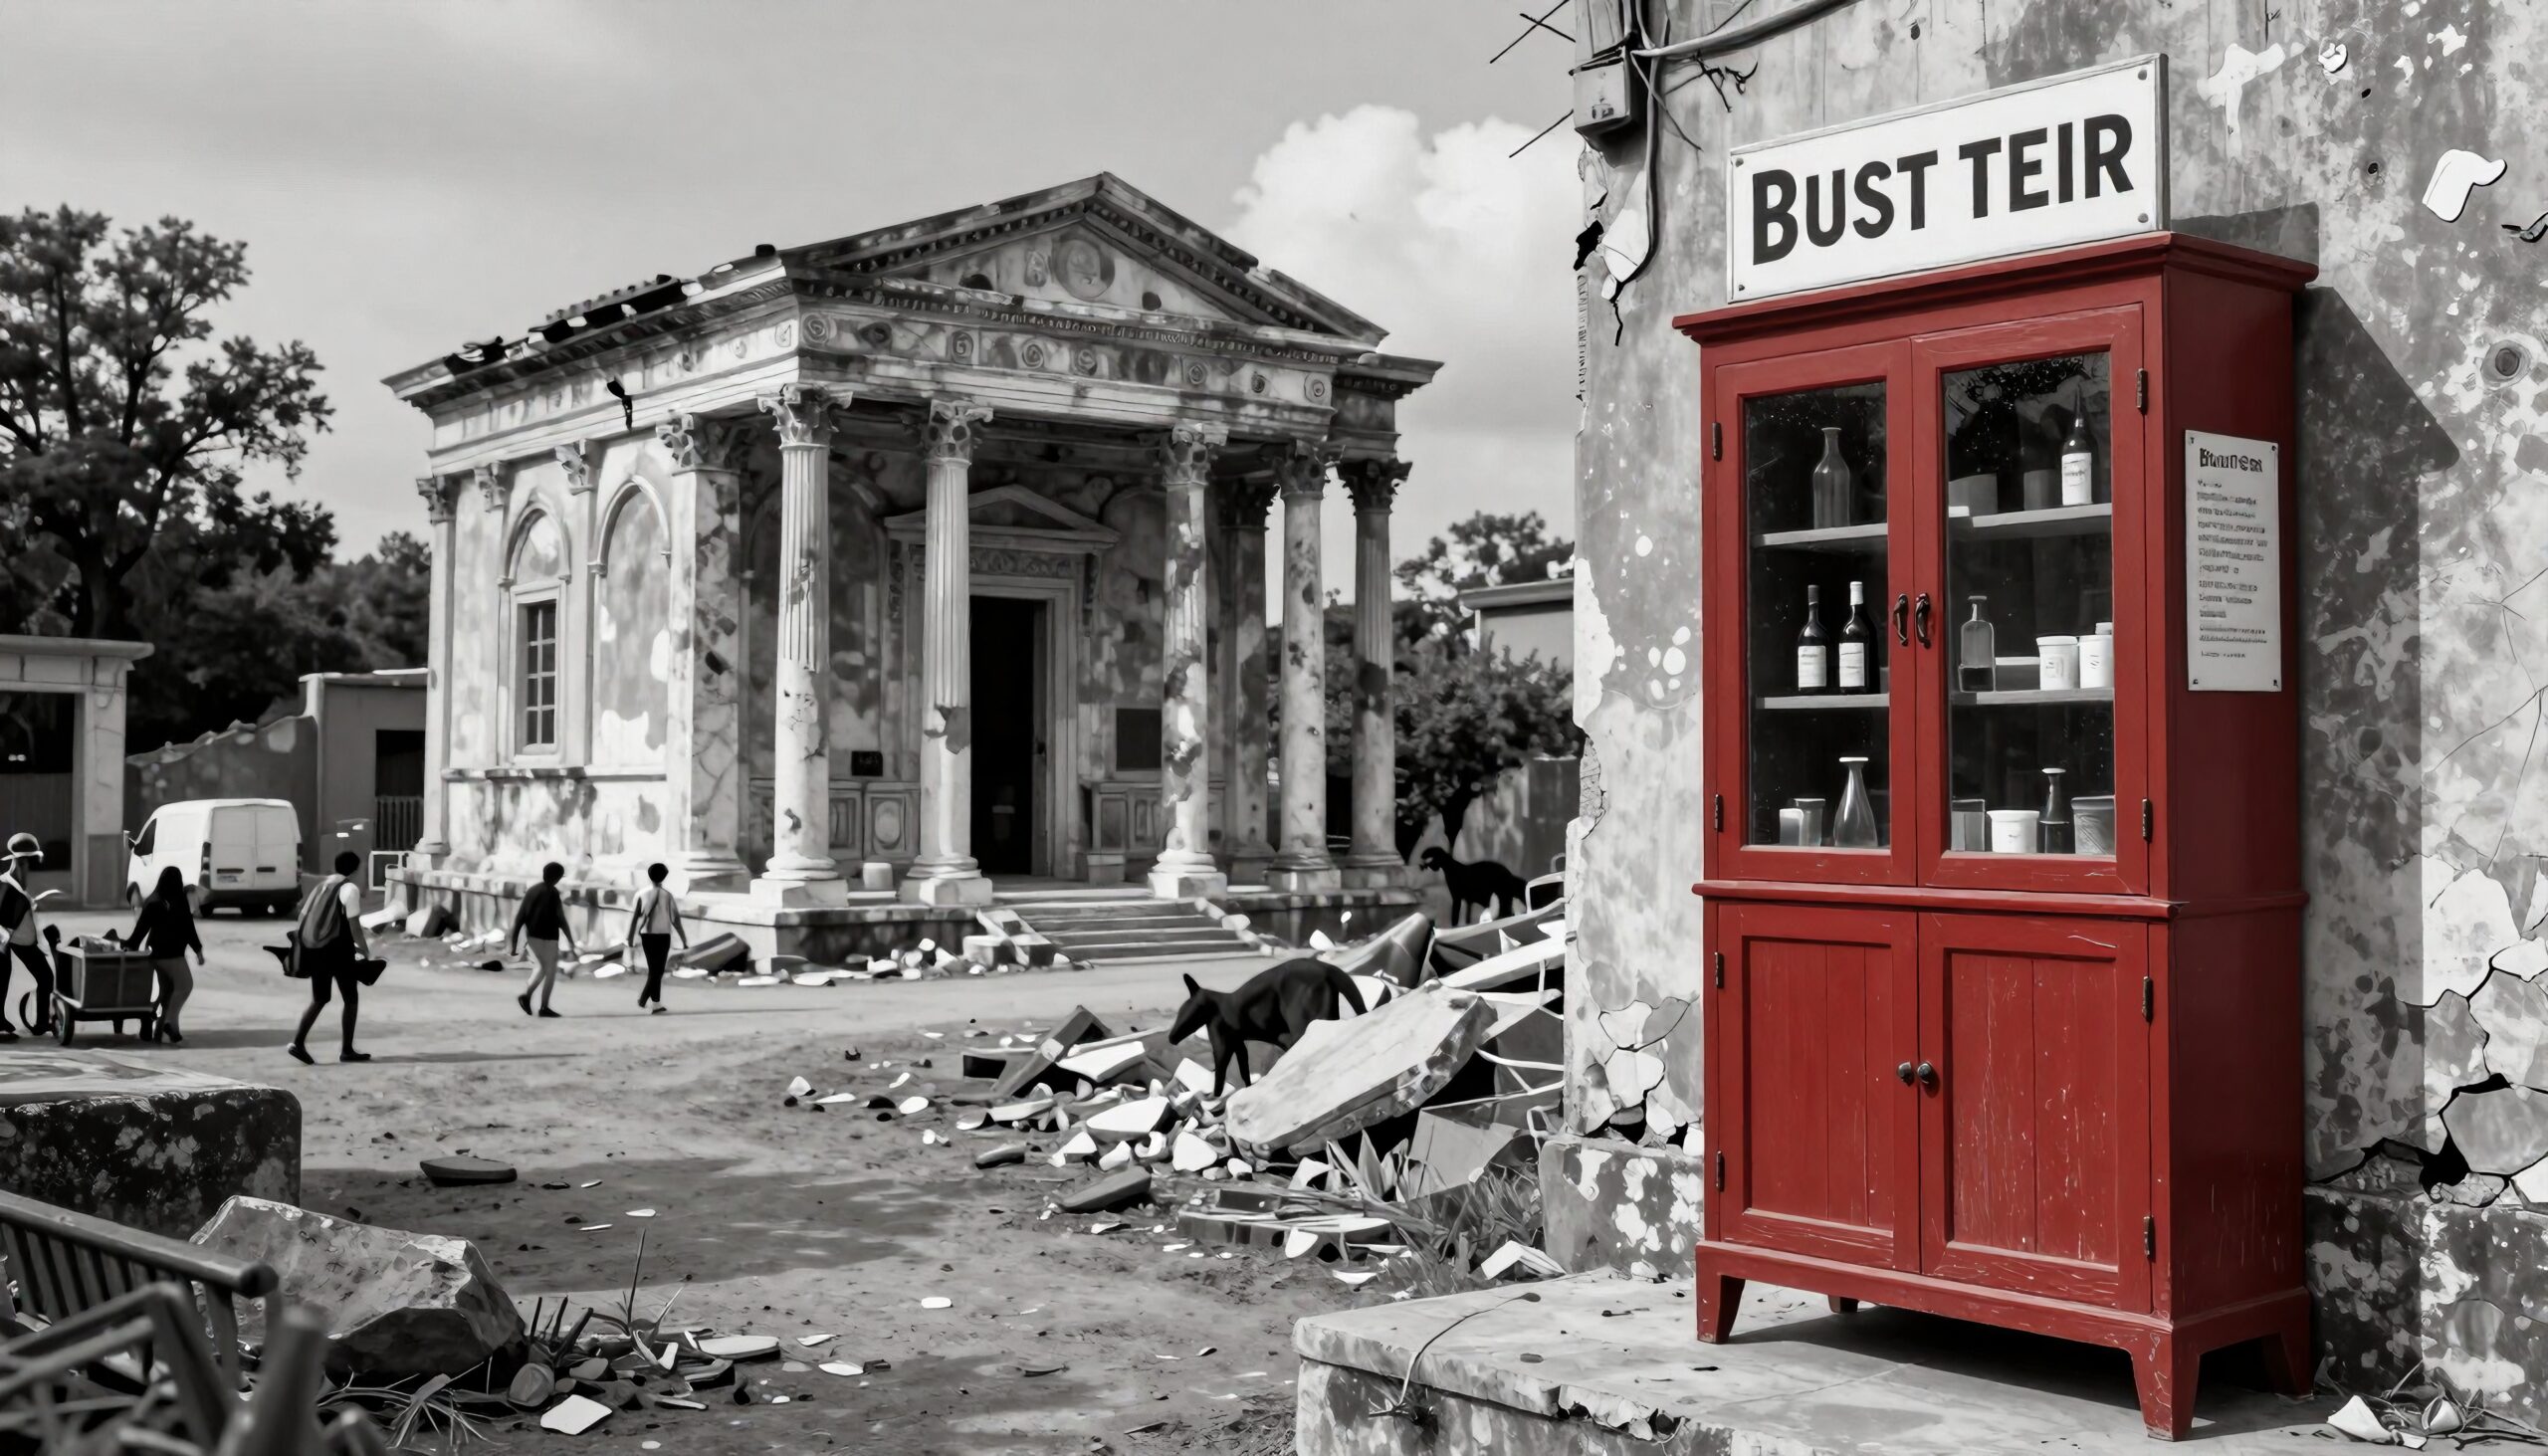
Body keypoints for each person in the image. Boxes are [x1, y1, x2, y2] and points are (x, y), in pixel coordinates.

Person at [289, 850, 371, 1065]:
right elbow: (354, 925)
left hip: (316, 949)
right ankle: (346, 1050)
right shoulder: (349, 889)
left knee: (320, 998)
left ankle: (297, 1042)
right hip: (339, 951)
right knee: (351, 999)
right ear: (355, 869)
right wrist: (364, 949)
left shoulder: (323, 885)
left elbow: (303, 914)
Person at [127, 866, 204, 1045]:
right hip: (171, 956)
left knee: (165, 992)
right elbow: (188, 928)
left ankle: (164, 1028)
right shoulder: (177, 901)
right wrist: (198, 950)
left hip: (155, 955)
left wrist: (131, 946)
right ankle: (169, 1021)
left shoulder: (154, 900)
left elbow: (141, 929)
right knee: (185, 986)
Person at [0, 832, 54, 1040]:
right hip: (11, 940)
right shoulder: (10, 888)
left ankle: (41, 1023)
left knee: (45, 977)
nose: (30, 867)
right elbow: (5, 924)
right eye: (28, 862)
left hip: (20, 939)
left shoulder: (13, 884)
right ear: (21, 861)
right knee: (4, 972)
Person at [510, 861, 577, 1018]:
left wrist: (514, 943)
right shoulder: (553, 892)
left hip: (532, 936)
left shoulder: (532, 890)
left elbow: (520, 917)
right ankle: (543, 1006)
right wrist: (570, 939)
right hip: (549, 937)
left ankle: (527, 997)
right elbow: (561, 918)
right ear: (558, 877)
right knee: (550, 971)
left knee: (541, 968)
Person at [624, 862, 688, 1014]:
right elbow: (676, 920)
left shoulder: (641, 894)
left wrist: (629, 938)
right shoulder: (668, 895)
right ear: (664, 877)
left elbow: (634, 919)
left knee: (655, 970)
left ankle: (655, 1003)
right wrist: (684, 940)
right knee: (657, 971)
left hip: (647, 935)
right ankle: (647, 1000)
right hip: (663, 935)